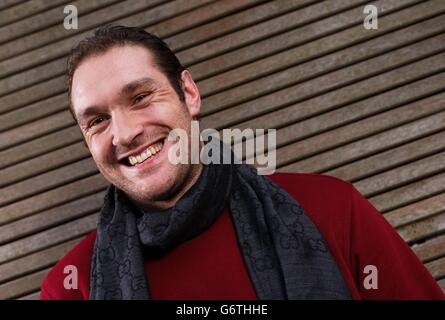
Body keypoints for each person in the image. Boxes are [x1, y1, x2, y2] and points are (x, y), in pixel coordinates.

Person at [40, 25, 444, 300]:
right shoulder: (70, 287)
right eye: (97, 120)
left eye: (141, 97)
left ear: (189, 93)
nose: (124, 133)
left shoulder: (333, 210)